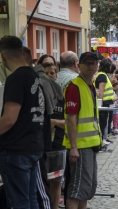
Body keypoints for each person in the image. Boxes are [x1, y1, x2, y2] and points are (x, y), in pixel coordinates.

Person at [0, 36, 45, 208]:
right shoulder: (34, 76)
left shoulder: (16, 79)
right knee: (31, 199)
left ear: (3, 57)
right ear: (22, 52)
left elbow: (9, 119)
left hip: (15, 150)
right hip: (33, 147)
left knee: (19, 202)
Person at [63, 52, 101, 209]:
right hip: (80, 146)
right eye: (88, 63)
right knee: (76, 189)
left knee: (85, 189)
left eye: (94, 63)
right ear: (79, 65)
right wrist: (73, 147)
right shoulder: (74, 86)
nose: (91, 66)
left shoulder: (89, 86)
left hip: (90, 145)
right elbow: (70, 118)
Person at [43, 62, 67, 209]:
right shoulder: (37, 97)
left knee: (56, 182)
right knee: (40, 182)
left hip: (59, 147)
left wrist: (55, 122)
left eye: (52, 73)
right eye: (47, 73)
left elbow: (71, 122)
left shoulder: (62, 98)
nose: (50, 76)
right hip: (41, 148)